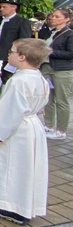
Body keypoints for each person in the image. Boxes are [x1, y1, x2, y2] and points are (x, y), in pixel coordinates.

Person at [0, 38, 51, 225]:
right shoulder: (39, 77)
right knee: (25, 168)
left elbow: (13, 111)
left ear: (22, 57)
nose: (9, 54)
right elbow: (30, 104)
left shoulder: (19, 81)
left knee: (12, 165)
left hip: (17, 130)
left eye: (11, 51)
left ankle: (12, 208)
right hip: (32, 126)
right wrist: (3, 100)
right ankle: (17, 202)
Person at [40, 8, 73, 140]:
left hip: (62, 70)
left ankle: (61, 130)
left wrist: (50, 52)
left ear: (67, 19)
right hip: (47, 67)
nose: (53, 18)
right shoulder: (51, 33)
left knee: (62, 100)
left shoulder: (69, 34)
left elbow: (71, 53)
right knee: (48, 98)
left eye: (57, 17)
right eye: (53, 16)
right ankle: (49, 125)